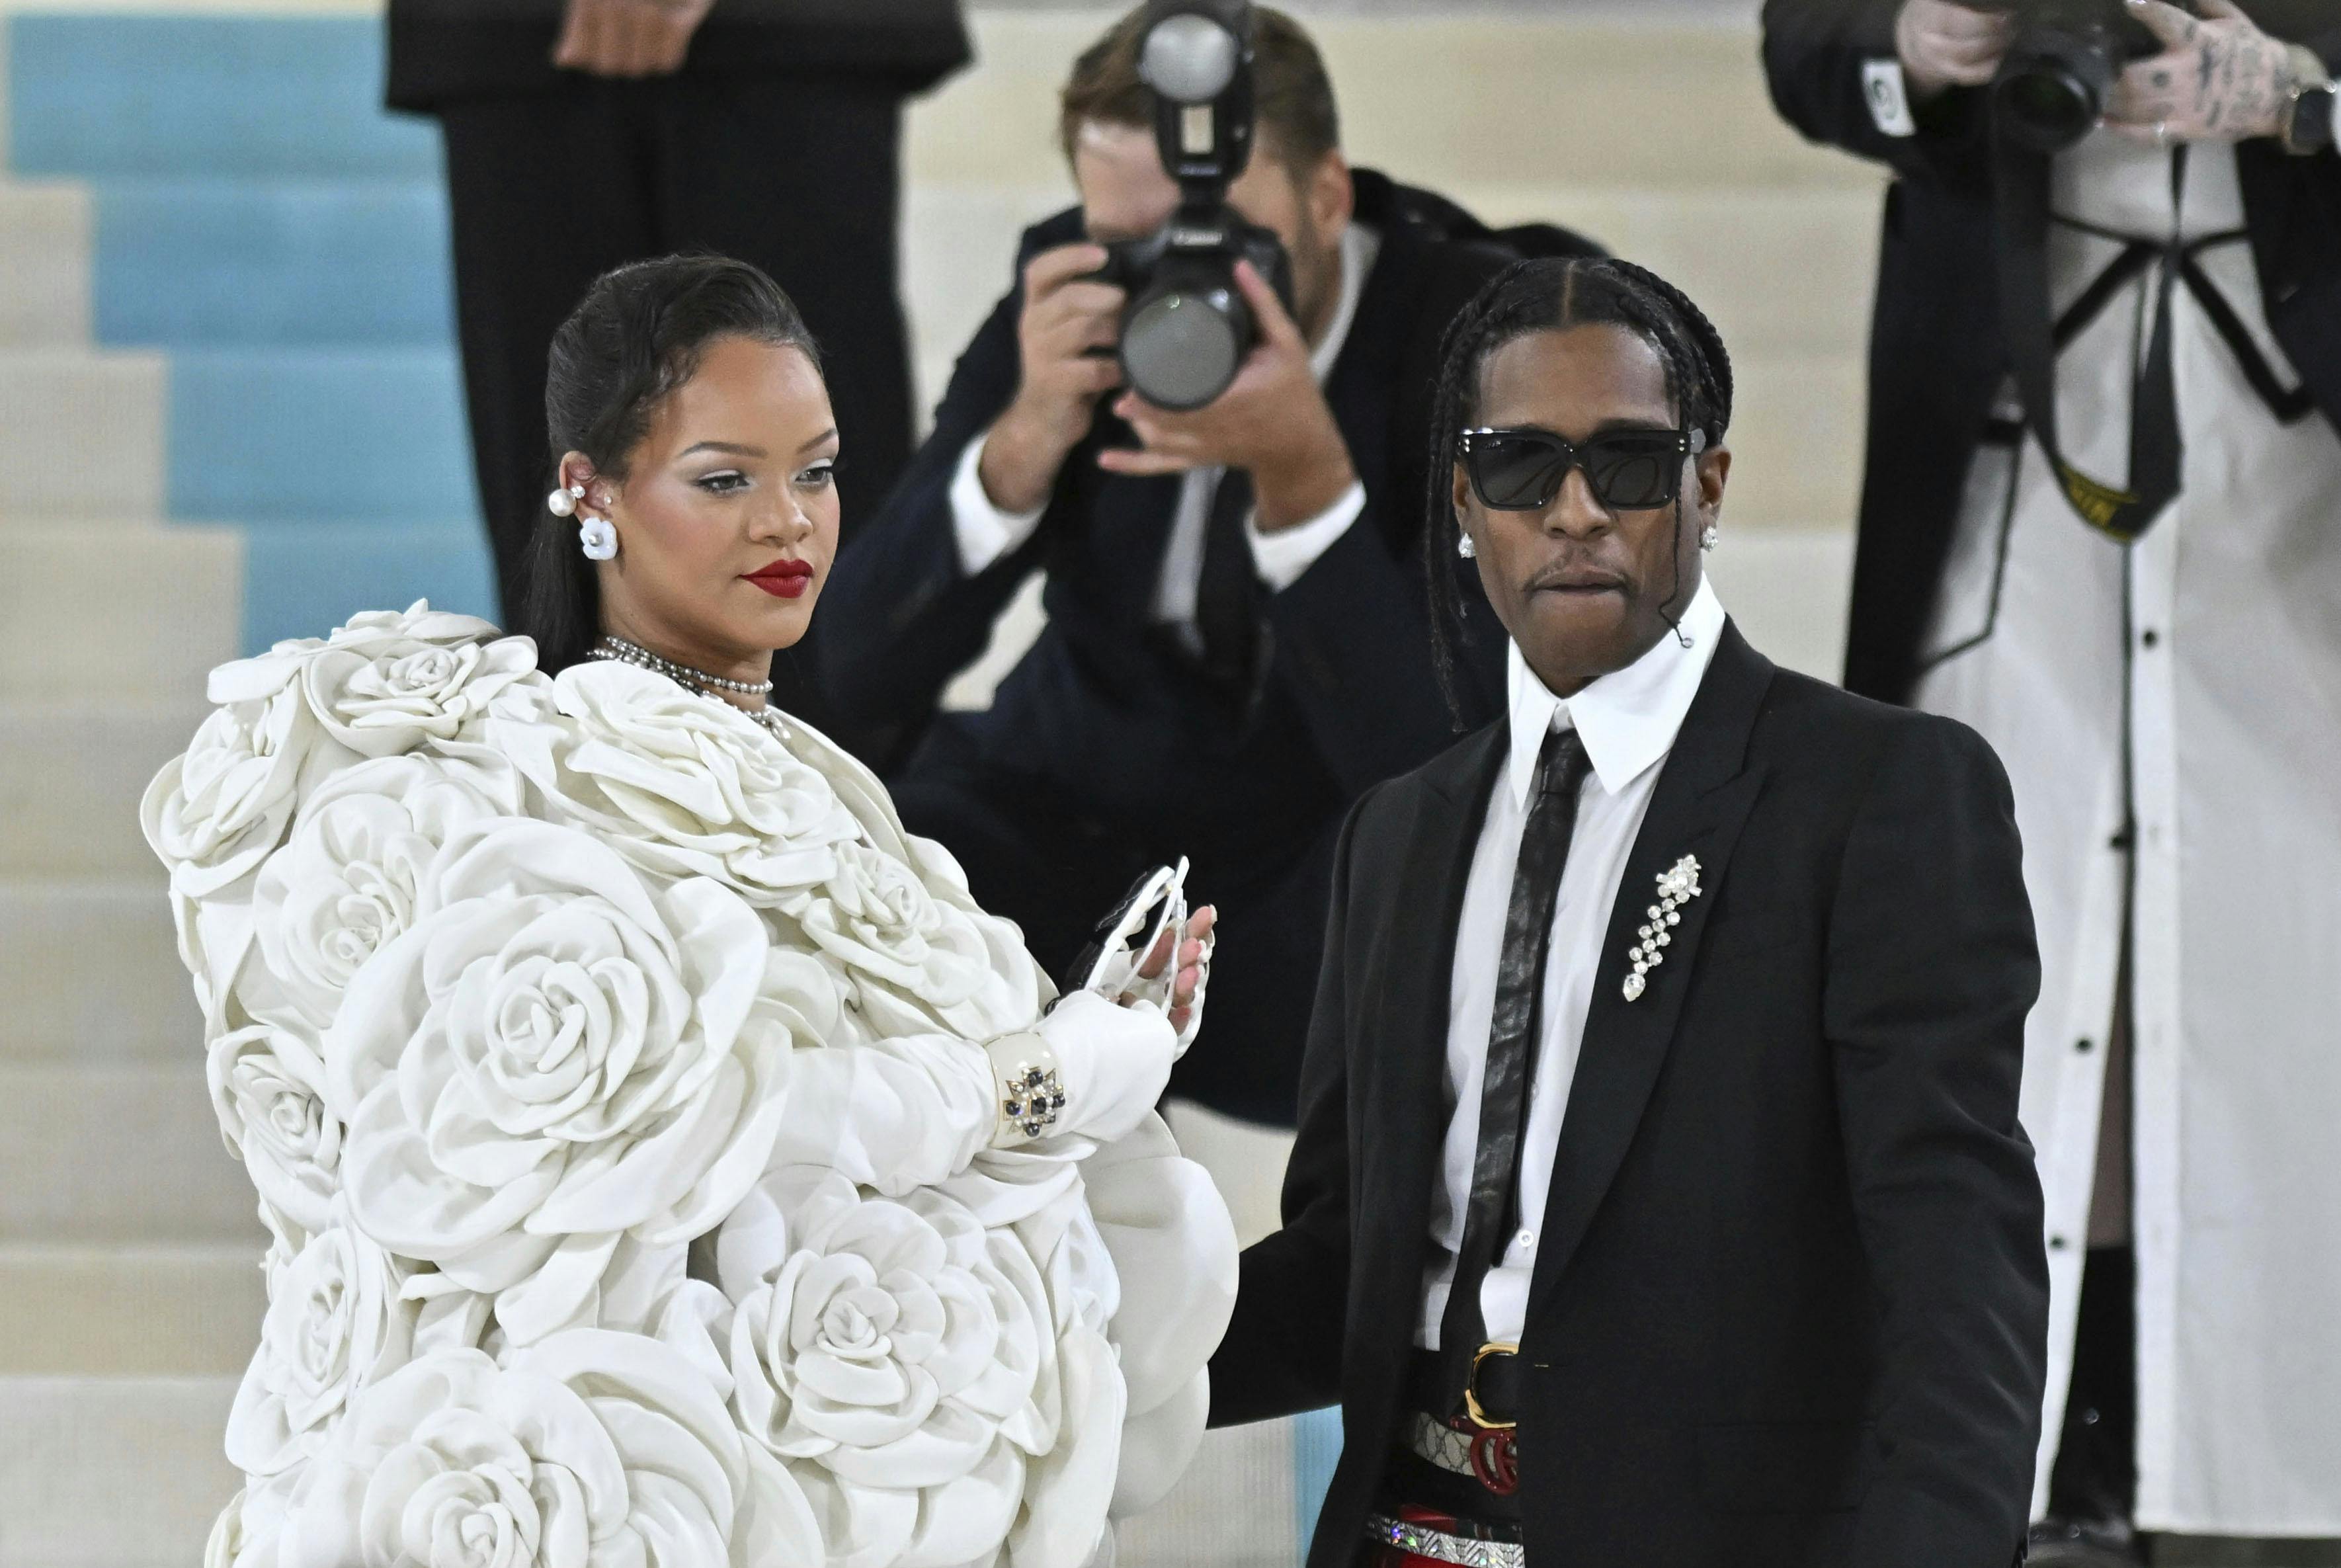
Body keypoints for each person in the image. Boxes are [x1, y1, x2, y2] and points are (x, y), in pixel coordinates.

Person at [145, 255, 1235, 1568]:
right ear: (589, 495)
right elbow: (741, 1119)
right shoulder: (540, 779)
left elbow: (883, 1135)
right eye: (726, 480)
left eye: (817, 472)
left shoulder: (816, 775)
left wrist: (1095, 1043)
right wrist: (1058, 1073)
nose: (790, 523)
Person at [1208, 257, 2050, 1568]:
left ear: (1707, 488)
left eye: (1632, 463)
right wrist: (1069, 1349)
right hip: (1399, 1538)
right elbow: (1348, 1268)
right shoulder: (1399, 832)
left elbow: (1958, 1278)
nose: (1578, 510)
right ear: (1463, 501)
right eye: (1523, 464)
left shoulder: (1877, 794)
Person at [1764, 1, 2341, 1557]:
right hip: (2010, 465)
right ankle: (2034, 1460)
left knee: (2272, 967)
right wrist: (1915, 41)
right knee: (2019, 960)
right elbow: (1802, 50)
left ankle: (2242, 1470)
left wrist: (2305, 95)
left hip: (2292, 478)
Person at [820, 5, 1600, 1134]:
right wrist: (1019, 448)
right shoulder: (1069, 288)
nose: (1177, 287)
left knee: (1458, 917)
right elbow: (852, 666)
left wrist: (1307, 487)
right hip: (1073, 802)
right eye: (1137, 243)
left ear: (1329, 194)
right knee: (875, 875)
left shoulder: (1493, 341)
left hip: (1315, 869)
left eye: (1223, 239)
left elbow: (1460, 773)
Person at [385, 0, 969, 735]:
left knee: (817, 493)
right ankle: (591, 812)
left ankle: (844, 825)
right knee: (561, 521)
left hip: (795, 47)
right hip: (524, 45)